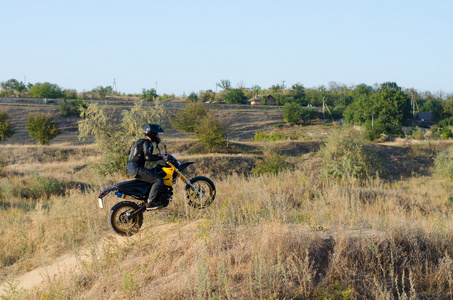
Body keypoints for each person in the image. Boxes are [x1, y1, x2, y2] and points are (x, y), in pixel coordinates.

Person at [127, 124, 167, 210]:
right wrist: (161, 157)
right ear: (152, 134)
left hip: (132, 168)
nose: (158, 136)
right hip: (136, 169)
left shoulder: (141, 141)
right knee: (158, 180)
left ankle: (148, 197)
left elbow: (143, 155)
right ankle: (150, 203)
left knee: (153, 174)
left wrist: (154, 155)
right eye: (157, 134)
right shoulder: (148, 143)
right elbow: (148, 157)